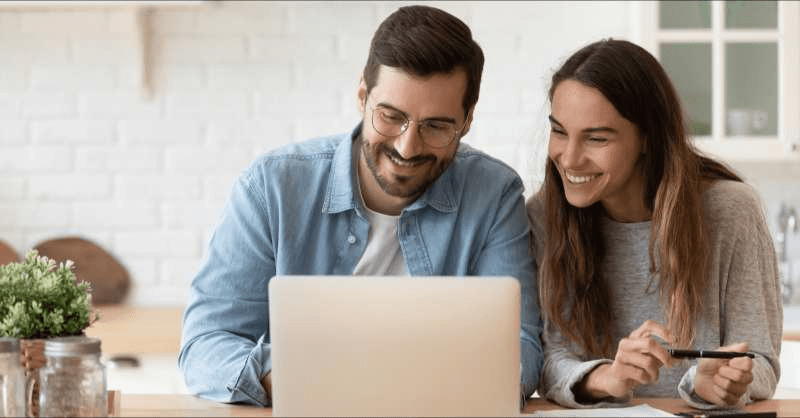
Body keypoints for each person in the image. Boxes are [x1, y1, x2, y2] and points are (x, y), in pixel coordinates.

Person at [179, 5, 542, 406]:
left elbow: (520, 350)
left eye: (436, 126)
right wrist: (294, 377)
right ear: (362, 96)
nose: (407, 146)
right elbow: (204, 345)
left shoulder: (494, 195)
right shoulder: (272, 187)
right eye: (391, 116)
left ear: (467, 119)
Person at [527, 39, 782, 409]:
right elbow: (549, 359)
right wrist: (608, 377)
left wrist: (717, 382)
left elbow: (760, 359)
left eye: (596, 138)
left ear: (647, 138)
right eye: (559, 131)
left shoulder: (731, 212)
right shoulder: (544, 215)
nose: (569, 158)